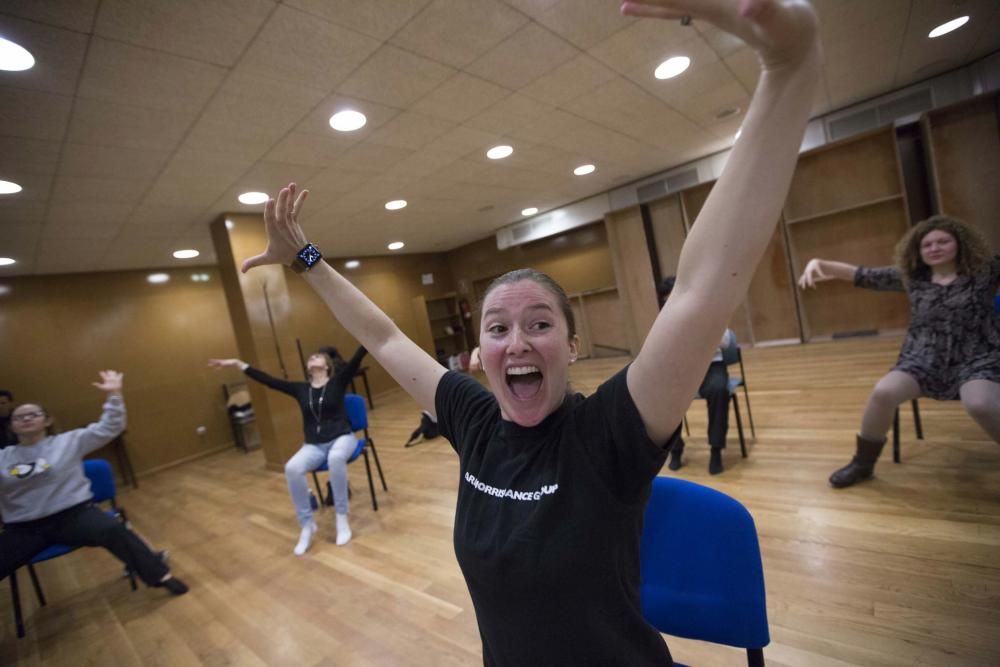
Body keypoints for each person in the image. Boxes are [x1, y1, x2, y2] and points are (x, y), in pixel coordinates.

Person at [238, 1, 821, 663]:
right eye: (498, 328)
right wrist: (307, 259)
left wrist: (789, 64)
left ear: (571, 347)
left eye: (539, 324)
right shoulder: (475, 419)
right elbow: (387, 337)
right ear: (480, 352)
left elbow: (701, 288)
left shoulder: (608, 435)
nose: (516, 341)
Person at [799, 215, 1000, 488]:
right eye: (927, 244)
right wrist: (818, 264)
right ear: (918, 250)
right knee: (883, 392)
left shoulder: (985, 271)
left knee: (980, 403)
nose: (935, 248)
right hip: (922, 358)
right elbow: (860, 274)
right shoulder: (912, 278)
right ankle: (863, 464)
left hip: (977, 357)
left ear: (960, 243)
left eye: (943, 241)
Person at [0, 371, 188, 596]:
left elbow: (110, 428)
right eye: (19, 417)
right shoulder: (4, 457)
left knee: (113, 529)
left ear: (47, 420)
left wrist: (114, 394)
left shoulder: (68, 441)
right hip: (25, 528)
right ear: (11, 427)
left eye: (33, 414)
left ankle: (160, 576)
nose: (27, 419)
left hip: (74, 516)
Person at [209, 346, 367, 553]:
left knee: (337, 457)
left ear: (327, 366)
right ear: (309, 368)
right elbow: (268, 380)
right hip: (315, 445)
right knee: (292, 467)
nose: (313, 357)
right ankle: (307, 525)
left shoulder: (338, 382)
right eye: (311, 357)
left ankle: (341, 517)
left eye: (318, 356)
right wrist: (238, 364)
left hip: (343, 438)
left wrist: (370, 336)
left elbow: (356, 359)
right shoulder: (301, 389)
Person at [656, 276, 737, 474]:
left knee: (718, 390)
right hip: (684, 370)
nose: (670, 303)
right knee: (663, 397)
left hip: (712, 366)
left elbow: (727, 343)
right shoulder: (666, 320)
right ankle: (675, 449)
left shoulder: (708, 311)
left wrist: (705, 326)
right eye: (666, 300)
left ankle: (716, 449)